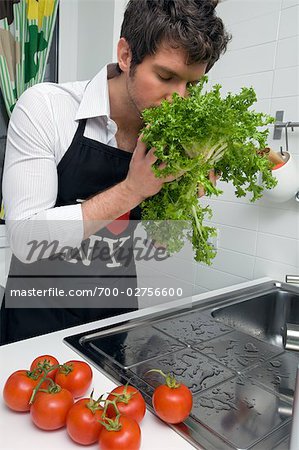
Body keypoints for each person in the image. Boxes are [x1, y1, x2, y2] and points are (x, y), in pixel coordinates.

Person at [0, 0, 231, 345]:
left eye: (192, 85)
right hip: (37, 317)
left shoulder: (169, 137)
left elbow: (154, 242)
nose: (179, 98)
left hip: (113, 318)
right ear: (126, 55)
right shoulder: (46, 107)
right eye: (166, 77)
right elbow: (25, 238)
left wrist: (180, 201)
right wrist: (132, 189)